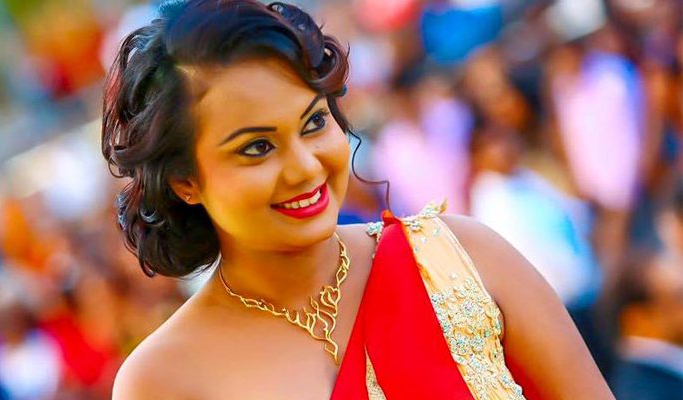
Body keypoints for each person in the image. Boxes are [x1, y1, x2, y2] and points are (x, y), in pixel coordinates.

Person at [102, 0, 614, 398]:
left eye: (314, 123)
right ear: (184, 181)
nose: (306, 167)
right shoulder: (163, 379)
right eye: (257, 148)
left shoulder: (462, 259)